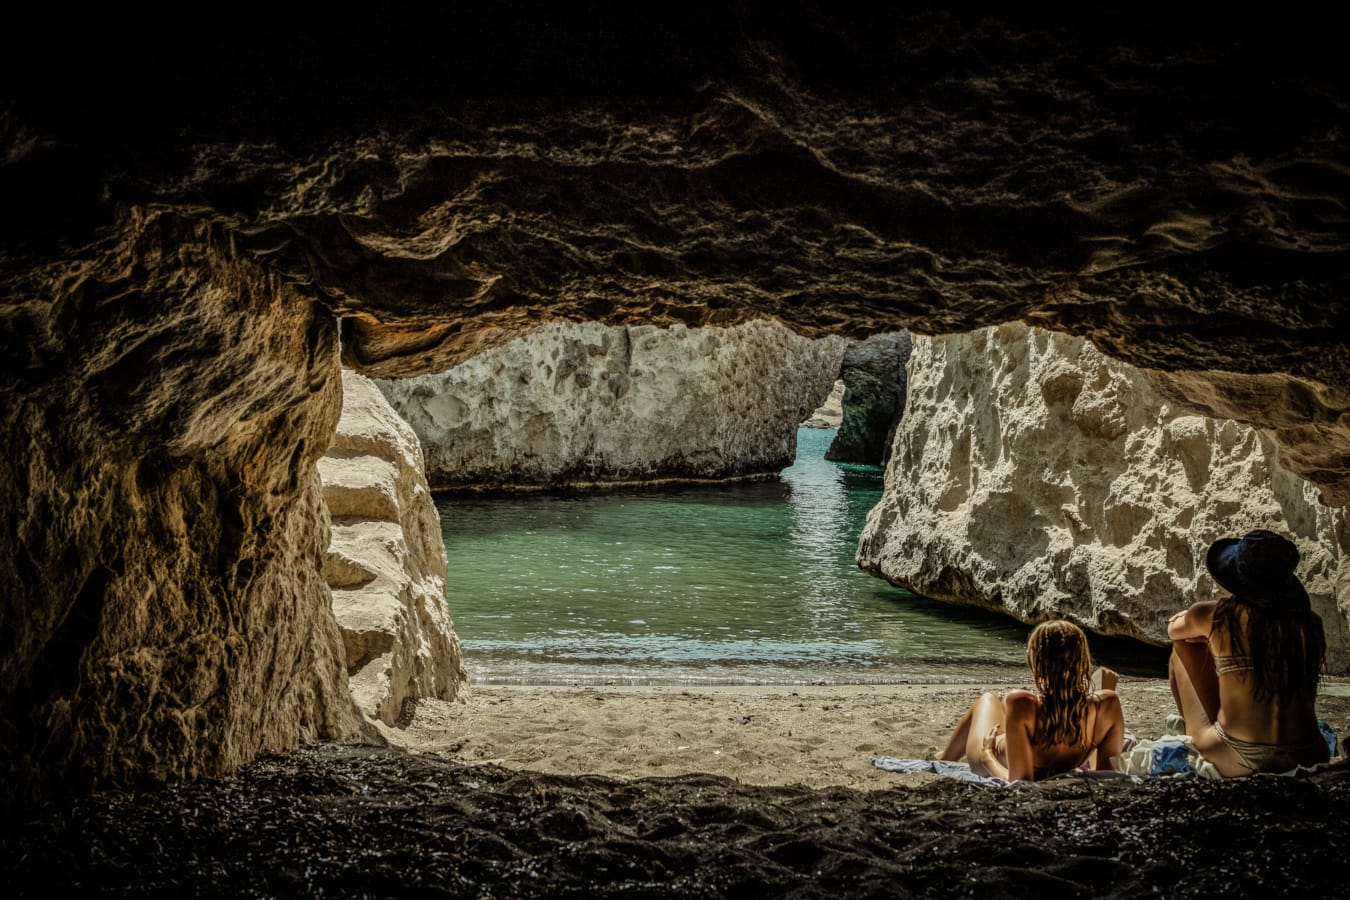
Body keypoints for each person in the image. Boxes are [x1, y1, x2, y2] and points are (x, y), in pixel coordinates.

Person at [1167, 528, 1329, 776]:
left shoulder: (1217, 616)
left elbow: (1173, 630)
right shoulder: (1311, 623)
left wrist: (1201, 629)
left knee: (1183, 646)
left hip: (1238, 757)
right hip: (1308, 753)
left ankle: (1199, 727)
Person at [935, 619, 1126, 781]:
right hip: (1034, 743)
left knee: (988, 699)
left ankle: (946, 757)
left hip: (995, 755)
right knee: (1001, 708)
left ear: (1038, 665)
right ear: (1083, 661)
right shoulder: (1107, 705)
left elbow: (1021, 782)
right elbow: (1105, 775)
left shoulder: (1022, 702)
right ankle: (945, 755)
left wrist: (987, 756)